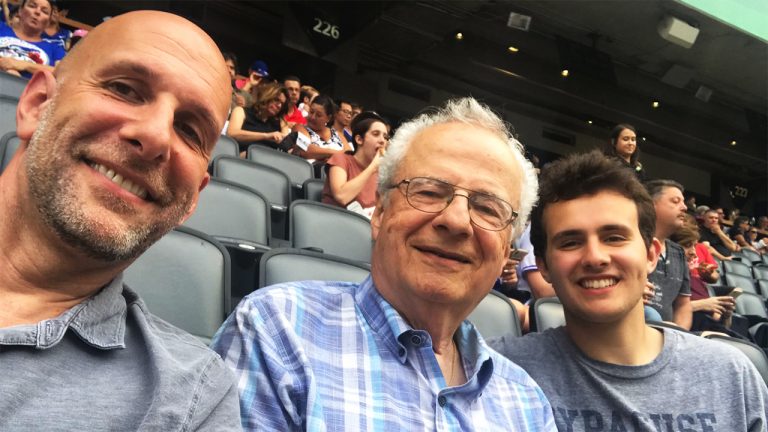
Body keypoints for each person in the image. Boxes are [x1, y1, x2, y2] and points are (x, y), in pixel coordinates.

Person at [212, 98, 556, 431]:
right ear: (379, 213)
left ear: (506, 249)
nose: (456, 220)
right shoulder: (276, 330)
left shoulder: (527, 404)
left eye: (487, 207)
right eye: (429, 191)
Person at [0, 11, 241, 430]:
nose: (156, 136)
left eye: (188, 129)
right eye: (125, 89)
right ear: (37, 104)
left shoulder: (195, 399)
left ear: (192, 201)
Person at [489, 151, 768, 431]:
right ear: (544, 266)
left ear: (651, 254)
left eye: (614, 238)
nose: (595, 257)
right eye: (570, 242)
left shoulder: (731, 375)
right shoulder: (493, 370)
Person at [321, 111, 388, 217]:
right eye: (376, 134)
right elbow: (341, 196)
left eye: (385, 137)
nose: (382, 141)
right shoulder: (341, 159)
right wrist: (372, 167)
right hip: (334, 223)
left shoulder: (381, 172)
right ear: (359, 139)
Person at [645, 179, 692, 329]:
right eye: (675, 201)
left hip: (665, 336)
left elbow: (683, 305)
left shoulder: (679, 253)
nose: (684, 207)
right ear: (651, 205)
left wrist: (679, 336)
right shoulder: (629, 242)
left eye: (683, 202)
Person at [0, 0, 66, 77]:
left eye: (44, 11)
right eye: (32, 6)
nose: (37, 12)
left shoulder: (55, 47)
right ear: (20, 11)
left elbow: (62, 74)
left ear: (48, 22)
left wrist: (25, 65)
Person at [226, 81, 289, 154]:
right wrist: (266, 136)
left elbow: (285, 143)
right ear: (266, 97)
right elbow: (232, 133)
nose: (279, 106)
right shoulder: (241, 111)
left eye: (282, 104)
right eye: (276, 100)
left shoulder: (281, 122)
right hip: (242, 158)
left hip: (269, 160)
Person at [292, 94, 353, 162]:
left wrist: (323, 155)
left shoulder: (338, 134)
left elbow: (349, 155)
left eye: (319, 115)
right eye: (311, 112)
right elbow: (304, 149)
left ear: (328, 118)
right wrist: (334, 154)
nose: (313, 117)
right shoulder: (299, 128)